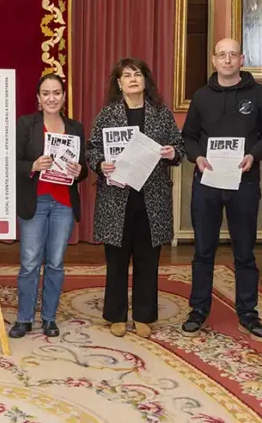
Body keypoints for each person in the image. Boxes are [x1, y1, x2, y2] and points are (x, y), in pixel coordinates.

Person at [181, 38, 262, 343]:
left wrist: (254, 155)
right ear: (213, 60)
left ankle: (248, 314)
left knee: (245, 252)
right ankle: (198, 310)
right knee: (203, 251)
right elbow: (189, 137)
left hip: (244, 185)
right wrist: (196, 156)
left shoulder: (258, 95)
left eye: (232, 55)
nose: (227, 60)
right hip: (207, 184)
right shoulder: (200, 97)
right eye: (221, 55)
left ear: (241, 59)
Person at [86, 59, 184, 338]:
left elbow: (179, 148)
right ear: (119, 83)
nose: (132, 79)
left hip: (151, 199)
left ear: (145, 81)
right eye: (126, 75)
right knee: (116, 260)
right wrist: (100, 164)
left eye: (137, 74)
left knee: (147, 260)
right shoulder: (107, 115)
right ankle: (116, 314)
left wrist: (171, 153)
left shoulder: (161, 114)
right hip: (117, 199)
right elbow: (92, 150)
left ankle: (144, 315)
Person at [9, 73, 88, 338]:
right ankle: (24, 318)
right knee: (29, 262)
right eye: (46, 93)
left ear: (64, 97)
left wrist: (79, 171)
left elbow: (84, 169)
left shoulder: (75, 128)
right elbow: (11, 162)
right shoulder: (25, 124)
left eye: (56, 93)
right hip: (35, 201)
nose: (51, 98)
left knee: (55, 263)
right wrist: (32, 166)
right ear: (38, 99)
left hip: (63, 203)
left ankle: (49, 318)